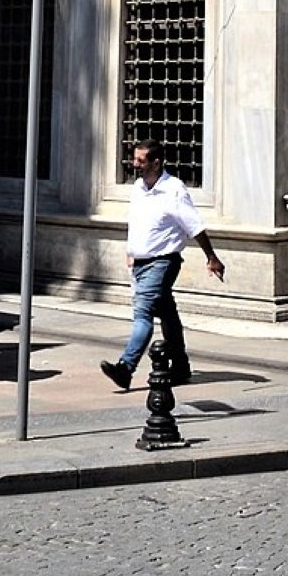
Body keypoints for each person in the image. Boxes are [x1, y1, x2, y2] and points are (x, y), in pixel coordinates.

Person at [100, 139, 225, 392]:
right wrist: (131, 251)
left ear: (156, 163)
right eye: (134, 159)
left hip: (163, 261)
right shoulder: (137, 188)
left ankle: (126, 368)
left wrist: (210, 256)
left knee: (143, 312)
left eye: (141, 161)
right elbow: (137, 223)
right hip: (140, 262)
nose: (135, 165)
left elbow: (195, 226)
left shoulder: (174, 190)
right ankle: (180, 365)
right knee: (166, 311)